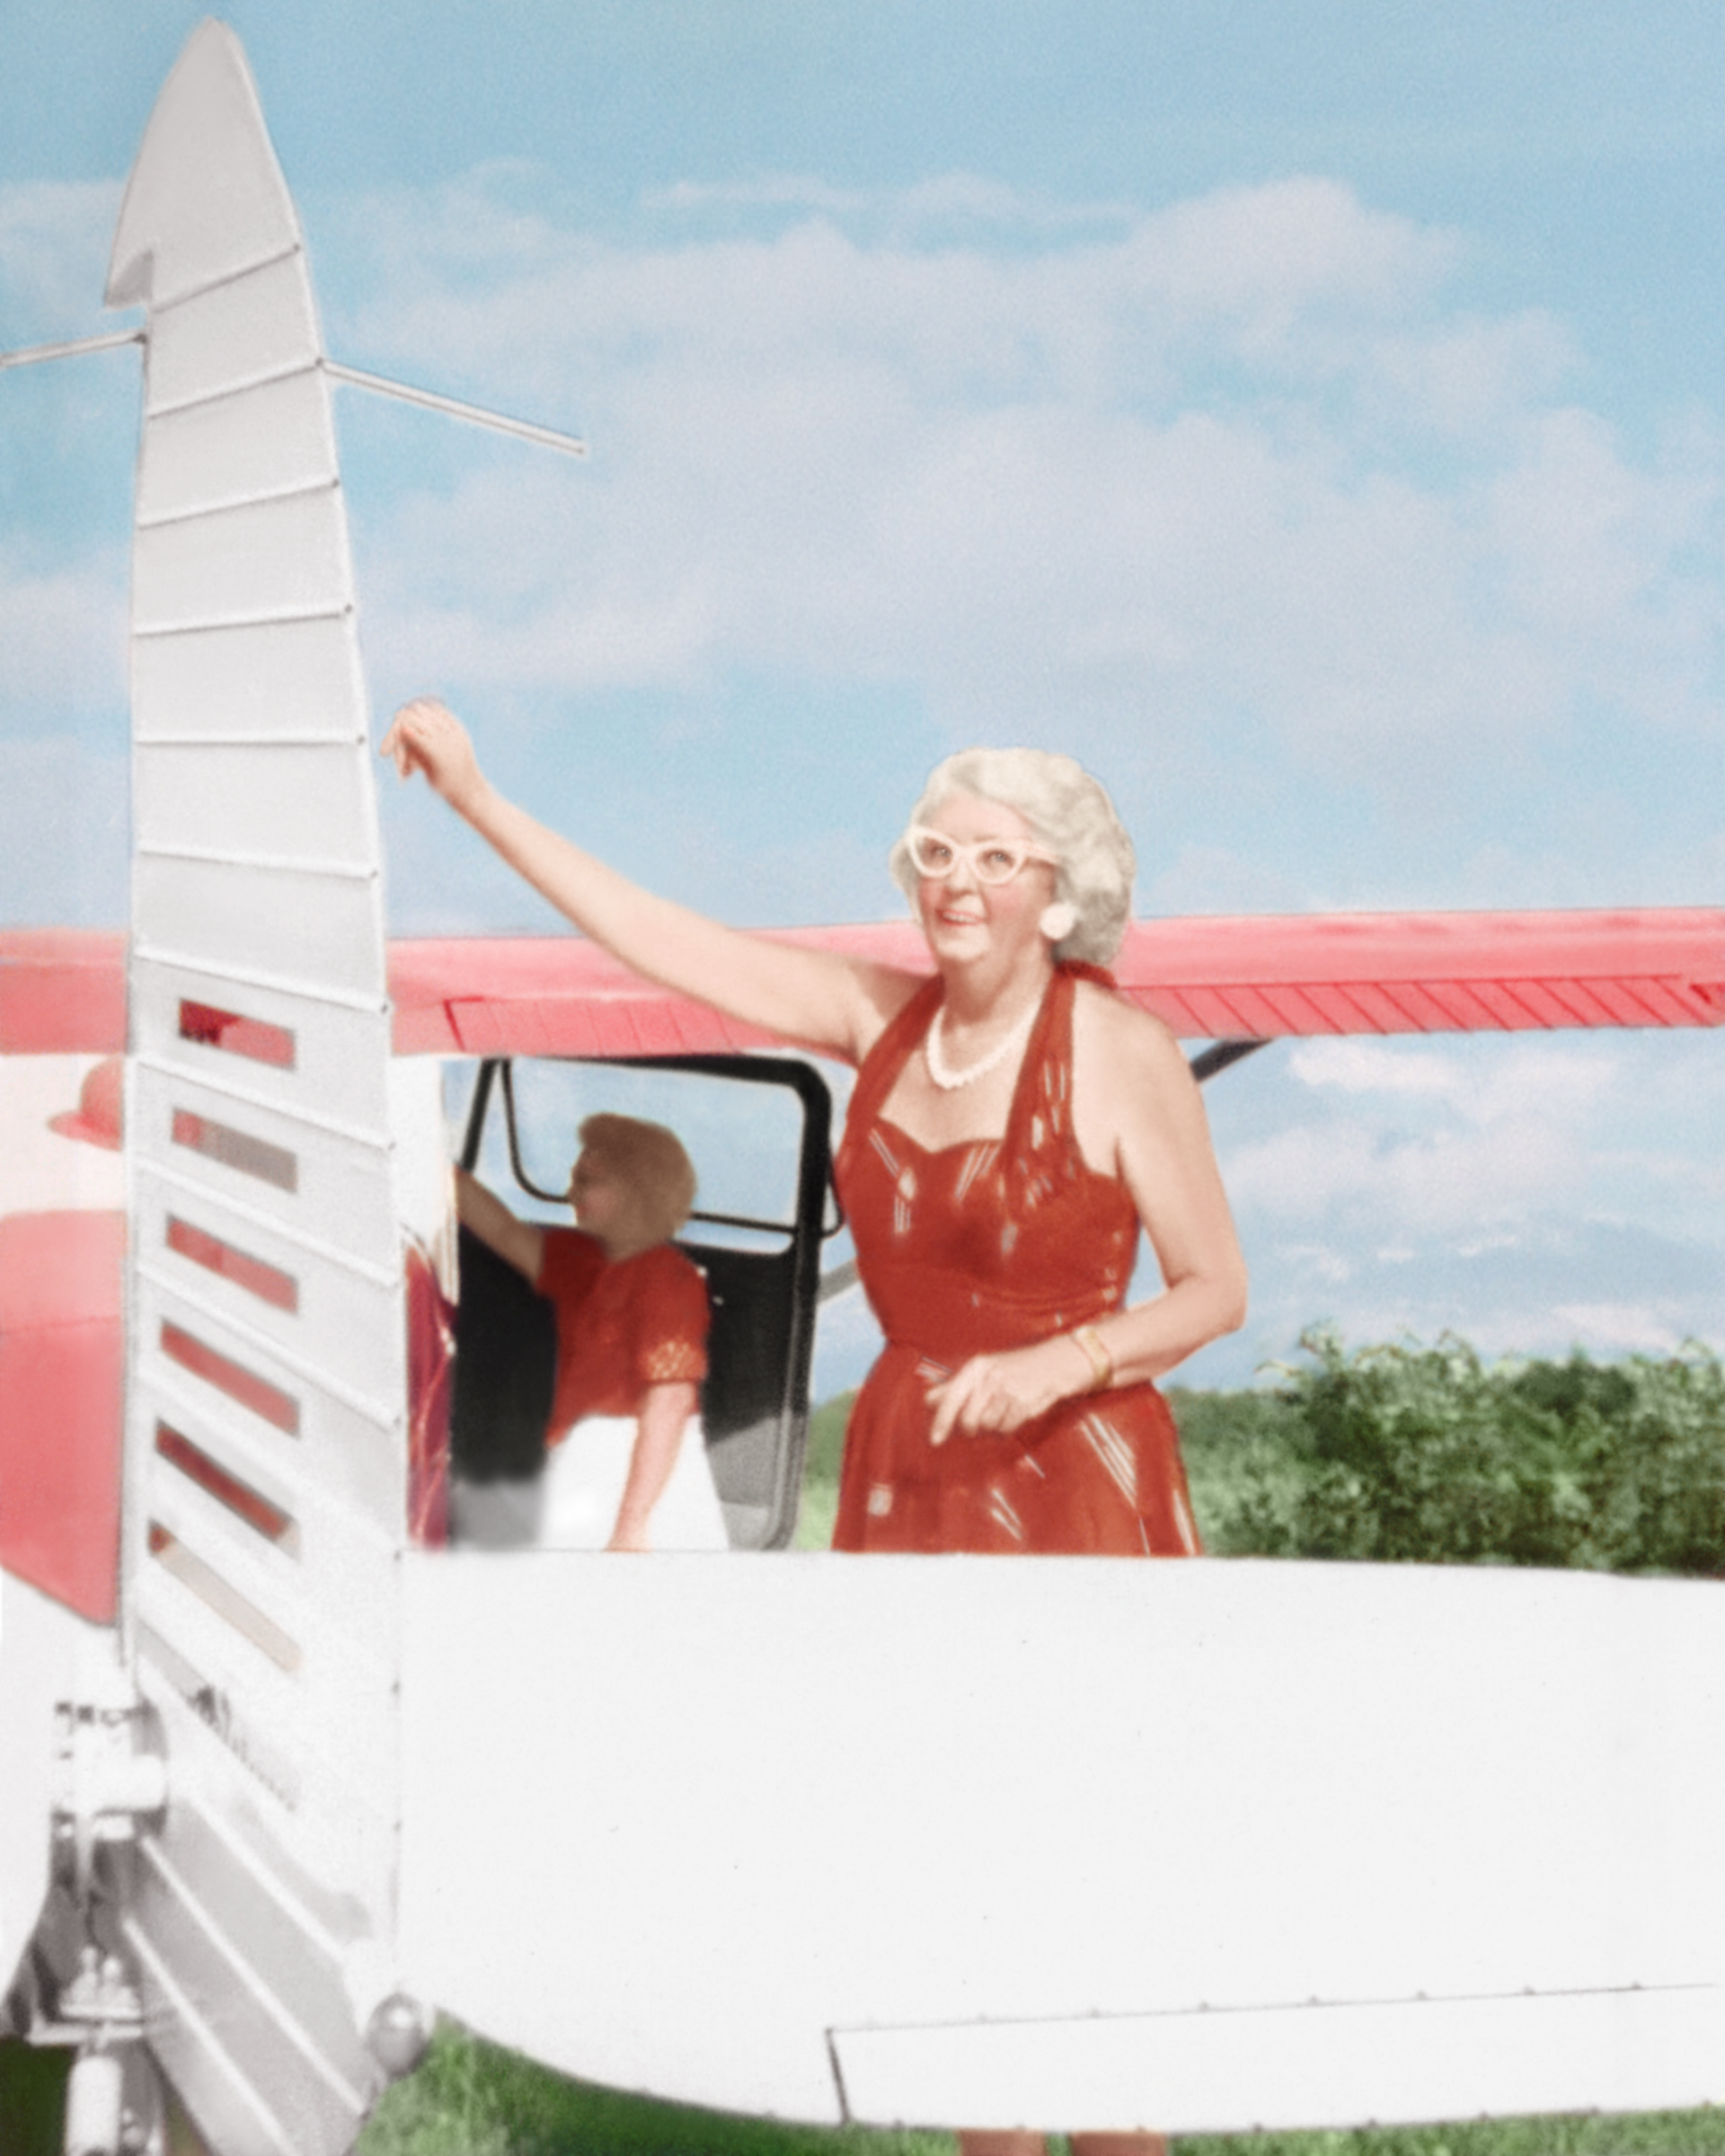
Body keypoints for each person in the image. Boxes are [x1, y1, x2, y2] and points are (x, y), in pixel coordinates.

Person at [382, 698, 1246, 2156]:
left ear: (1061, 894)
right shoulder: (873, 1019)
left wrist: (1060, 1362)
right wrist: (477, 798)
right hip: (914, 1469)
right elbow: (657, 938)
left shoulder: (1122, 1051)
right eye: (933, 852)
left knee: (1076, 1902)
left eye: (996, 858)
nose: (955, 882)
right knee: (953, 1906)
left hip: (1072, 1480)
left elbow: (1216, 1288)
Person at [453, 1111, 729, 1553]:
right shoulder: (583, 1263)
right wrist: (441, 1170)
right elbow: (504, 1231)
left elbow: (669, 1401)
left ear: (638, 1192)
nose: (571, 1194)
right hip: (584, 1458)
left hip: (635, 1469)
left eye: (588, 1182)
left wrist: (633, 1525)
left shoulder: (666, 1278)